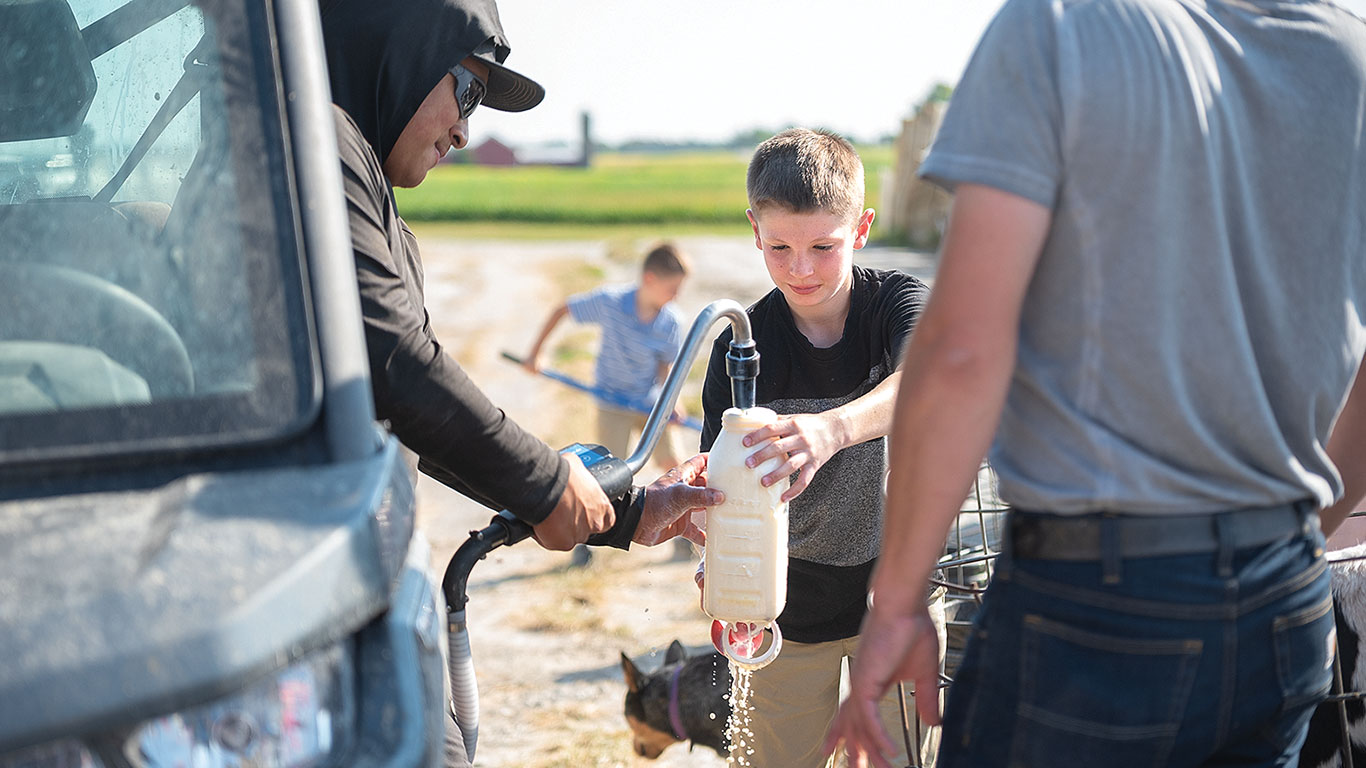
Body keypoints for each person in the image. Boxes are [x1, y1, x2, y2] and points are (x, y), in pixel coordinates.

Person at [826, 2, 1366, 767]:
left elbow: (960, 355)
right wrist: (1296, 535)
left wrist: (898, 602)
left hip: (1098, 604)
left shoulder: (1061, 25)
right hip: (1283, 596)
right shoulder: (1351, 52)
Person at [317, 0, 722, 763]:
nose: (466, 130)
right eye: (465, 90)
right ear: (400, 50)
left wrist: (625, 513)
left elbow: (416, 408)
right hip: (319, 602)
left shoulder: (367, 193)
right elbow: (397, 363)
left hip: (365, 586)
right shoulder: (316, 148)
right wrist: (543, 488)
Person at [696, 128, 936, 767]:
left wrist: (831, 429)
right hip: (784, 616)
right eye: (779, 247)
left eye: (823, 247)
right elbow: (714, 485)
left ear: (861, 229)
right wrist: (707, 545)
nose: (800, 269)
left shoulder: (899, 306)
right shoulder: (741, 348)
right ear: (754, 230)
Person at [525, 242, 694, 565]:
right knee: (606, 476)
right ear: (649, 279)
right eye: (672, 288)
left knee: (675, 464)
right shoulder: (611, 303)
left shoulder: (671, 321)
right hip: (612, 402)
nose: (676, 296)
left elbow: (665, 367)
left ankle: (684, 537)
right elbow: (563, 310)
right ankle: (583, 542)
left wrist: (673, 400)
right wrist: (536, 354)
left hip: (649, 406)